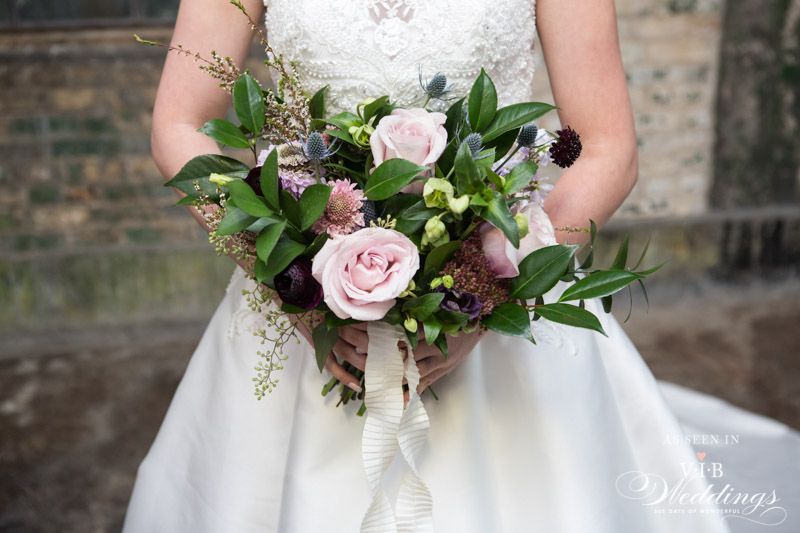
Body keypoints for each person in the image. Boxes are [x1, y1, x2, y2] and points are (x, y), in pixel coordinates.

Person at [123, 1, 800, 531]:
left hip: (498, 281)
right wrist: (296, 291)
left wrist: (487, 296)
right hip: (308, 297)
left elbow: (607, 147)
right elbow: (181, 126)